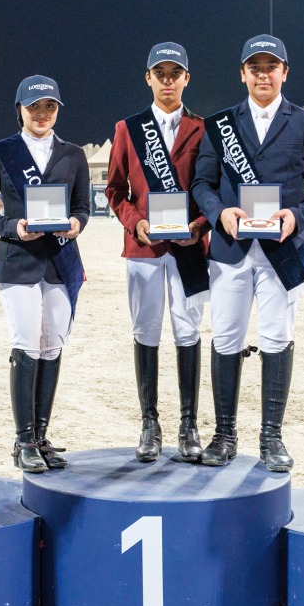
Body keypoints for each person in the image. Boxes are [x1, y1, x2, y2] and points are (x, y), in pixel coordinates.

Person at [191, 34, 304, 472]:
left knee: (276, 338)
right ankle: (223, 435)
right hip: (230, 249)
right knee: (226, 339)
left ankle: (271, 437)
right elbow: (201, 185)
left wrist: (299, 214)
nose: (262, 73)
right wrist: (221, 214)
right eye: (254, 66)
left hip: (282, 249)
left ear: (284, 72)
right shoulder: (218, 125)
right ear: (242, 73)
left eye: (270, 66)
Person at [0, 75, 90, 473]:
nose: (41, 114)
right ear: (20, 108)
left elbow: (83, 208)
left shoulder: (73, 154)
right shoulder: (0, 152)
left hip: (59, 262)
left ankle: (41, 435)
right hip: (18, 261)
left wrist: (76, 224)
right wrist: (13, 227)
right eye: (34, 107)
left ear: (58, 109)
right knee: (26, 342)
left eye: (49, 107)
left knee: (53, 344)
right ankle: (23, 440)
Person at [106, 43, 209, 463]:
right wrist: (136, 222)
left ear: (187, 78)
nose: (168, 80)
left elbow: (212, 190)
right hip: (144, 248)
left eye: (175, 73)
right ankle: (150, 423)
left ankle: (188, 424)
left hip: (189, 248)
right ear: (147, 77)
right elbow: (114, 191)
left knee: (188, 332)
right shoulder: (127, 129)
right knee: (146, 332)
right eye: (160, 73)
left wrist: (199, 226)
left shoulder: (205, 129)